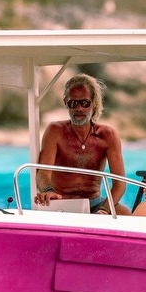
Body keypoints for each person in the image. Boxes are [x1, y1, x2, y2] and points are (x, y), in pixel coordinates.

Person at [33, 74, 126, 213]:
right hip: (61, 202)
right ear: (66, 103)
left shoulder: (108, 135)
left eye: (84, 103)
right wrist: (48, 191)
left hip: (95, 203)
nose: (79, 109)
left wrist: (105, 209)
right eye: (73, 103)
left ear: (94, 103)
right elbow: (42, 174)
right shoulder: (55, 131)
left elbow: (120, 184)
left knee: (127, 215)